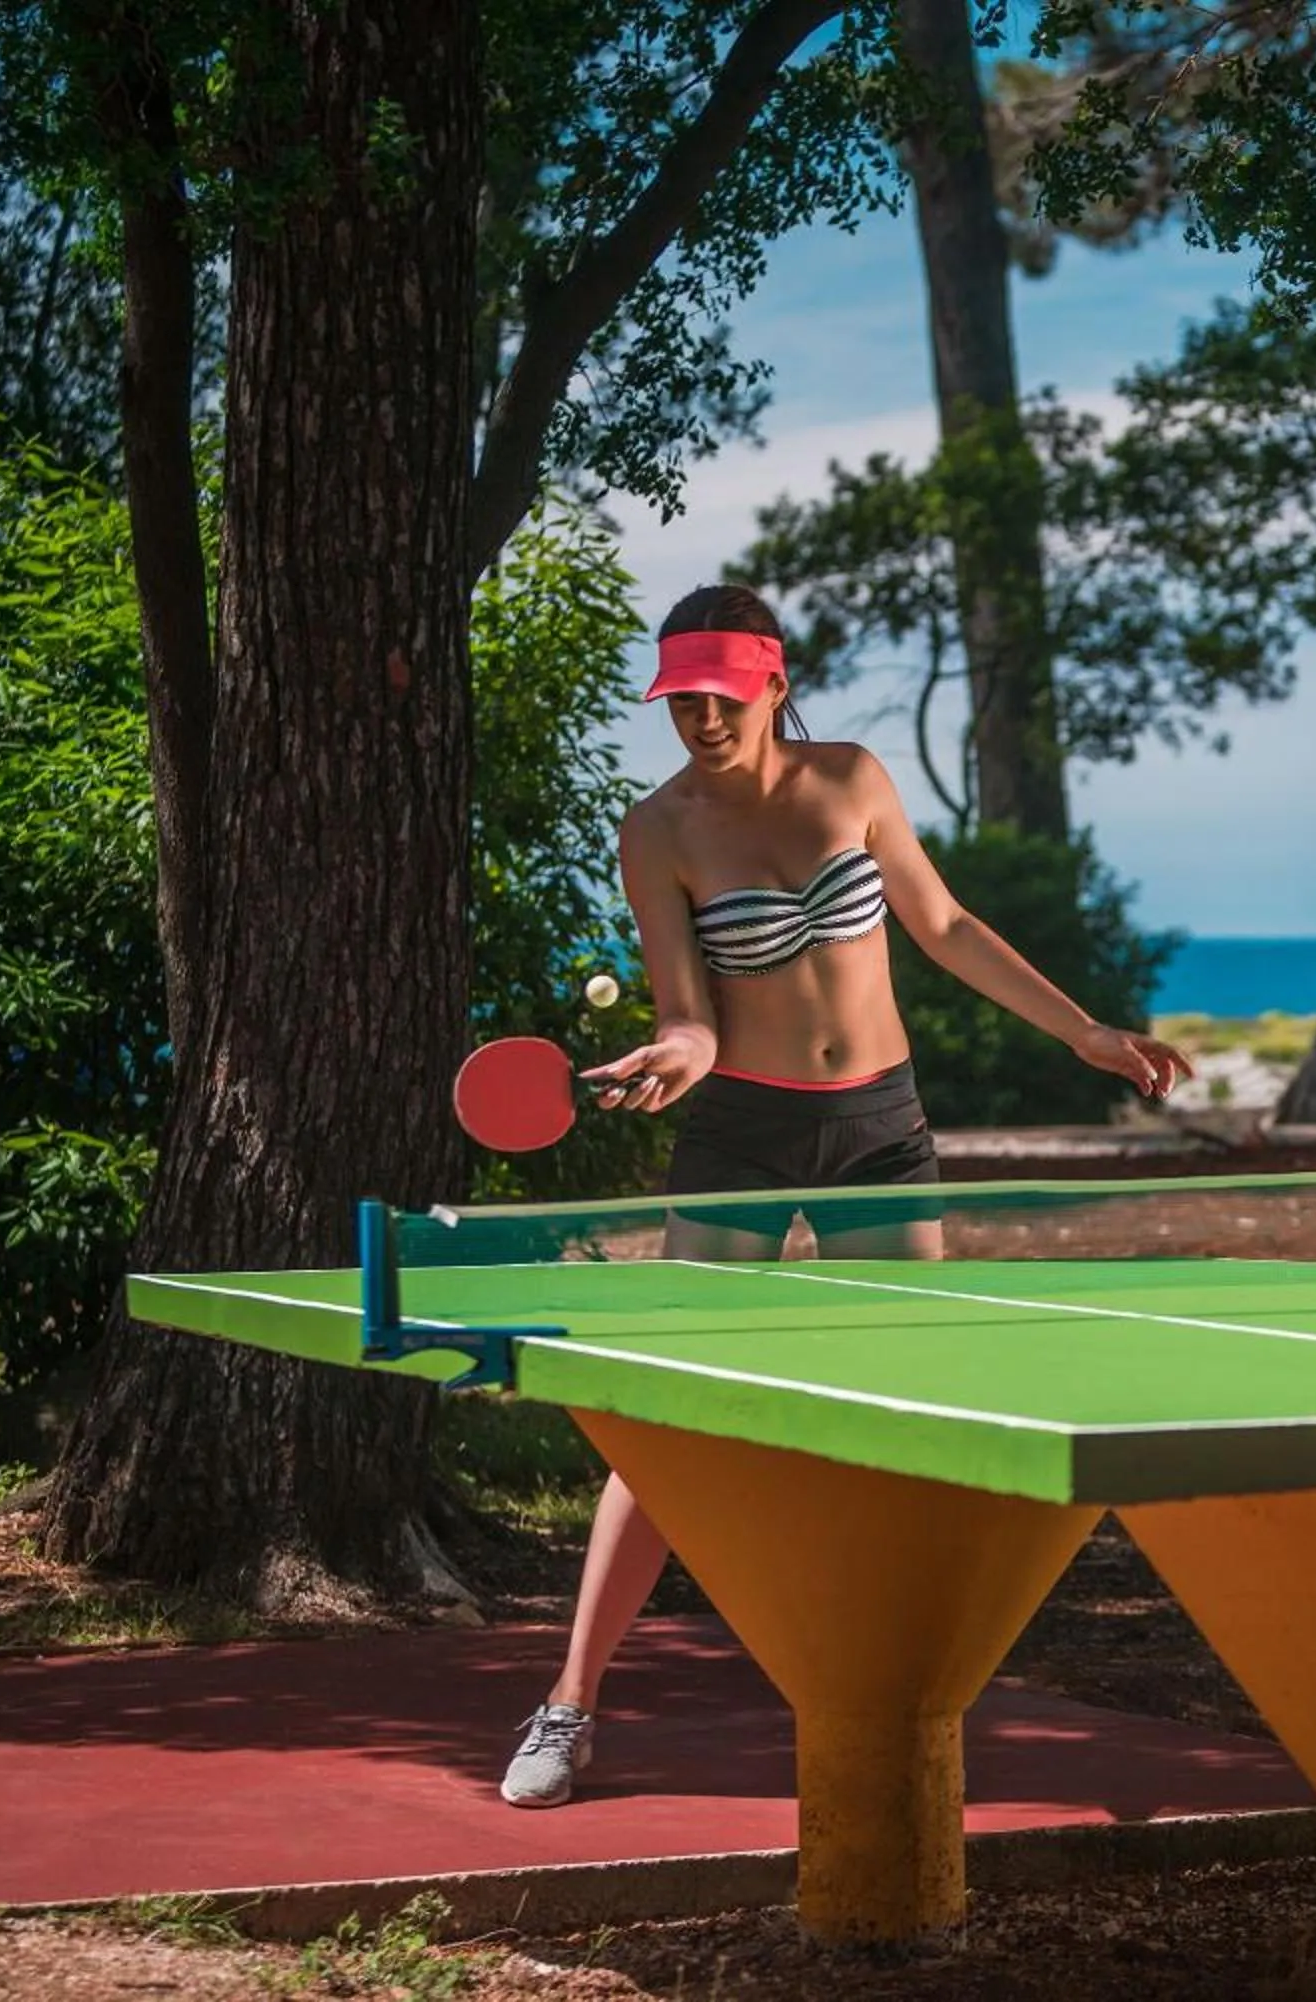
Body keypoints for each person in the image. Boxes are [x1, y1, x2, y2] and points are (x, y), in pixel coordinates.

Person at [499, 584, 1192, 1809]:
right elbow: (689, 1017)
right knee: (668, 1419)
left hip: (880, 1127)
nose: (699, 718)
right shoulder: (655, 830)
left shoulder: (856, 778)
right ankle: (569, 1702)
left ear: (771, 676)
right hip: (742, 1135)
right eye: (678, 700)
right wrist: (674, 1055)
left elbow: (947, 924)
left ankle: (899, 1679)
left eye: (720, 692)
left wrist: (1080, 1030)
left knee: (911, 1401)